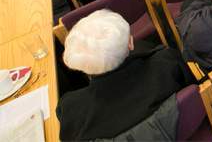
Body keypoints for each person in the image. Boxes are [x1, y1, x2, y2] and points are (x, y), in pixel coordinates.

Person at [57, 9, 193, 140]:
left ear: (81, 67)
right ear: (130, 44)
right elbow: (194, 90)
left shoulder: (71, 111)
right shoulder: (167, 64)